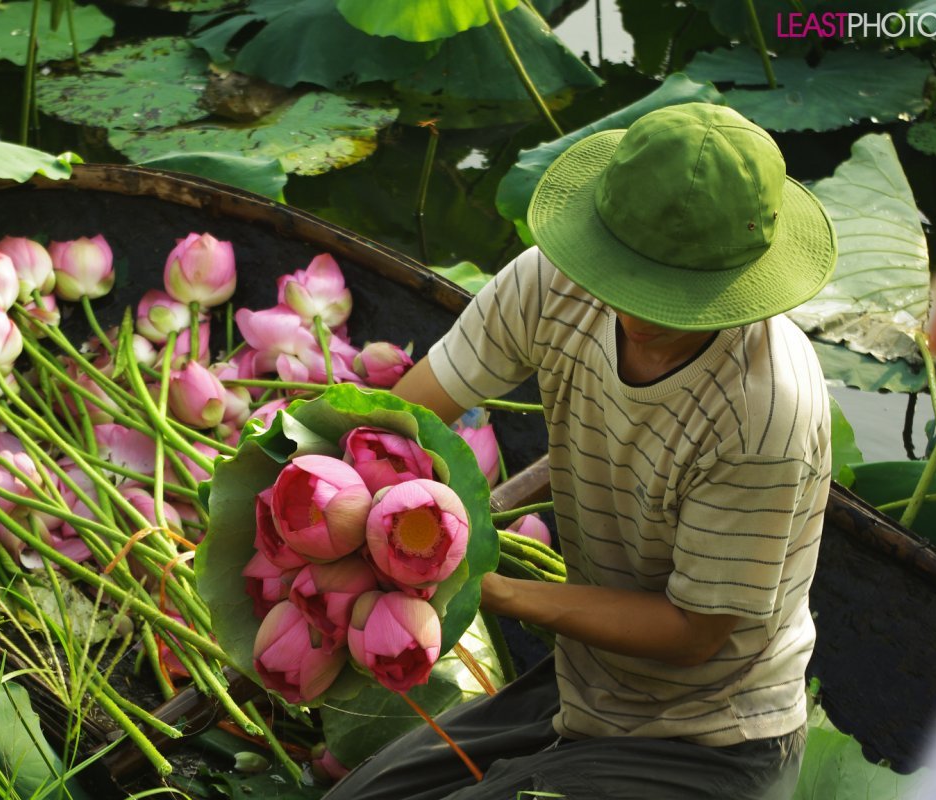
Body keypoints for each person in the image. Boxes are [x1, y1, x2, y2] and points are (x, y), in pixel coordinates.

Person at [324, 103, 837, 800]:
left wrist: (484, 584)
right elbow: (407, 415)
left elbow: (692, 634)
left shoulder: (766, 411)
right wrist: (321, 501)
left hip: (711, 740)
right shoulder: (555, 281)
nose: (639, 313)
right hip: (584, 683)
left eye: (675, 292)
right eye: (628, 276)